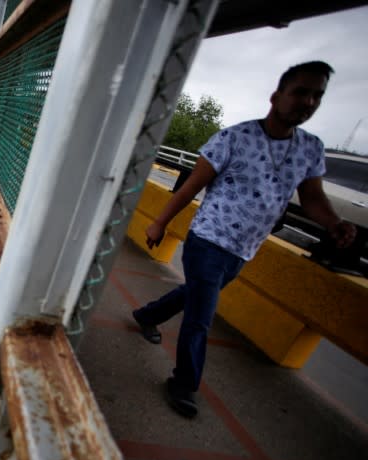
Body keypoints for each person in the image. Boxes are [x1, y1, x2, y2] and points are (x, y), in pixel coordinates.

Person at [132, 61, 356, 419]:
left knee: (194, 295)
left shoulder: (310, 149)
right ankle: (184, 383)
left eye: (317, 96)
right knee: (201, 317)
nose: (309, 101)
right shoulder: (234, 137)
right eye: (301, 92)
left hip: (243, 250)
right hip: (207, 239)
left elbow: (312, 199)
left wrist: (334, 222)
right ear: (276, 95)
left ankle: (147, 315)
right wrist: (160, 222)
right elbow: (191, 185)